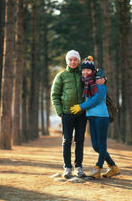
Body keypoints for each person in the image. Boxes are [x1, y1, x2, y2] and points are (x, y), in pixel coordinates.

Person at [70, 57, 120, 179]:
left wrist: (81, 107)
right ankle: (113, 167)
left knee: (102, 144)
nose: (85, 72)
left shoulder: (99, 83)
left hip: (102, 117)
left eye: (88, 70)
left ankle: (97, 168)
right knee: (96, 146)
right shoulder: (87, 83)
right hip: (91, 117)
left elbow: (96, 99)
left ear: (93, 71)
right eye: (84, 70)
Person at [51, 50, 86, 179]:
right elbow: (54, 95)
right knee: (67, 140)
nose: (73, 62)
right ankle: (67, 167)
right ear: (67, 61)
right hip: (66, 114)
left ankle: (79, 167)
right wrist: (60, 112)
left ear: (79, 61)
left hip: (81, 114)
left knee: (80, 140)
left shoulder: (83, 75)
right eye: (70, 59)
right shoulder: (61, 76)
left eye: (75, 59)